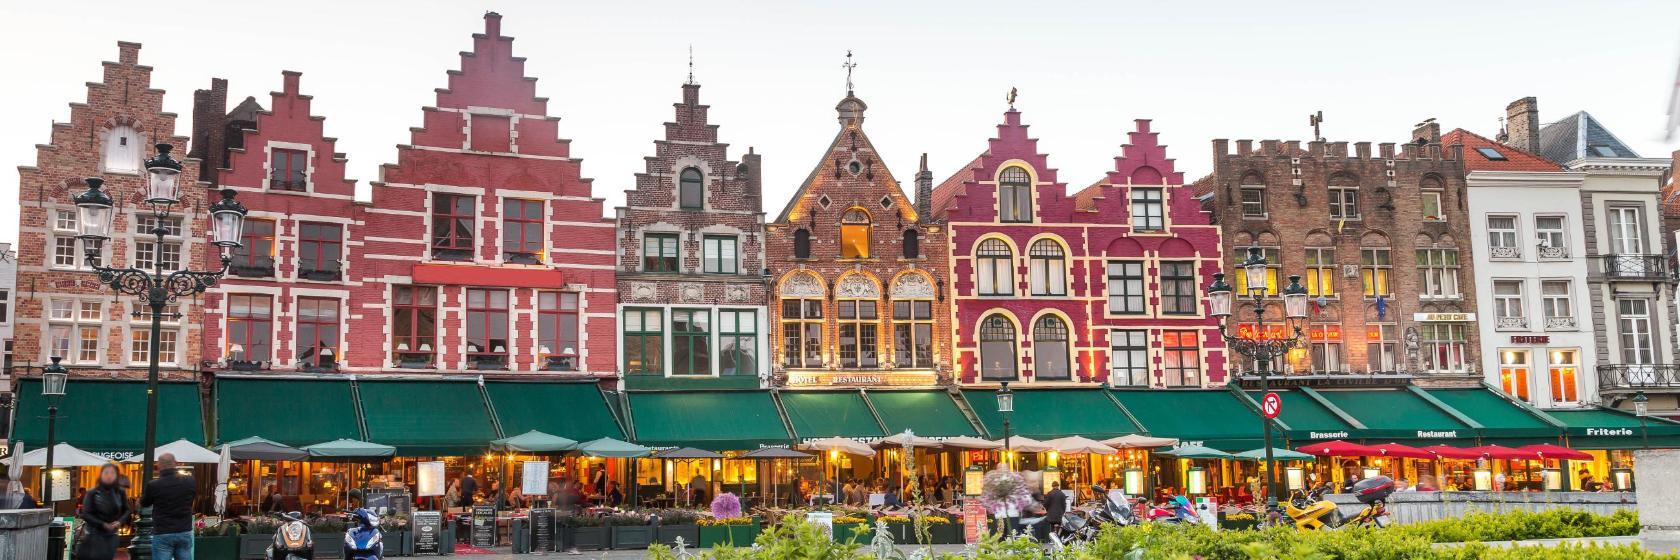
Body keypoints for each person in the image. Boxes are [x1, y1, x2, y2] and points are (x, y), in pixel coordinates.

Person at [140, 453, 197, 560]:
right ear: (175, 463)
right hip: (184, 529)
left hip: (163, 531)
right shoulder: (190, 481)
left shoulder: (154, 485)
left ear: (159, 466)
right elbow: (191, 499)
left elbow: (145, 503)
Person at [74, 463, 129, 560]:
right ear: (101, 474)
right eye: (106, 472)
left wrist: (119, 521)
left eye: (112, 473)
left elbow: (127, 510)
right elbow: (86, 514)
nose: (109, 476)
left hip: (112, 534)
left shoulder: (120, 492)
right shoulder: (92, 492)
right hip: (95, 534)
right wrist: (102, 524)